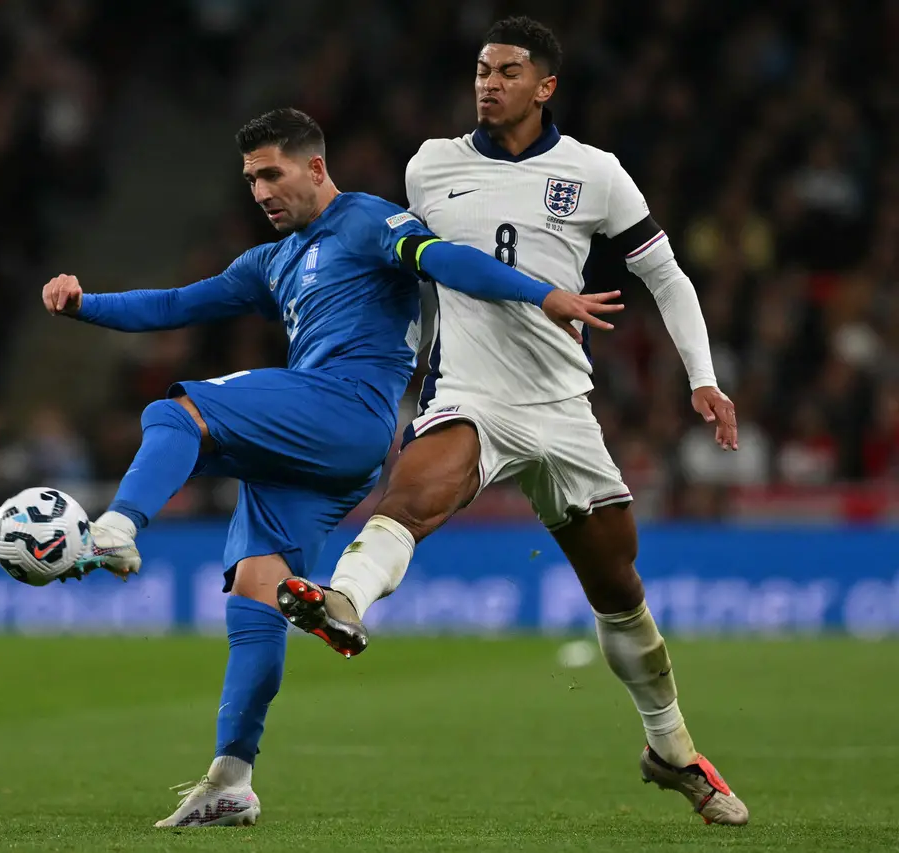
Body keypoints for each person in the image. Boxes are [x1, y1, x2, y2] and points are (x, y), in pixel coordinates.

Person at [41, 107, 622, 828]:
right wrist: (84, 304)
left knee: (178, 412)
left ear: (315, 167)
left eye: (271, 174)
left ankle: (117, 529)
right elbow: (177, 305)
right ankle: (231, 780)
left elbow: (445, 260)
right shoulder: (270, 262)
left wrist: (542, 292)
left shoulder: (368, 222)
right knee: (256, 594)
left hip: (346, 409)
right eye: (251, 180)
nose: (260, 192)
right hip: (318, 447)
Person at [274, 18, 749, 827]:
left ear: (545, 85)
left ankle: (671, 748)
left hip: (562, 407)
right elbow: (409, 267)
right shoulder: (431, 165)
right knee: (412, 497)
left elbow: (666, 276)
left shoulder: (595, 173)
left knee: (619, 589)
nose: (488, 84)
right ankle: (342, 598)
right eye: (481, 71)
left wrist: (702, 377)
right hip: (471, 391)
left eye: (507, 72)